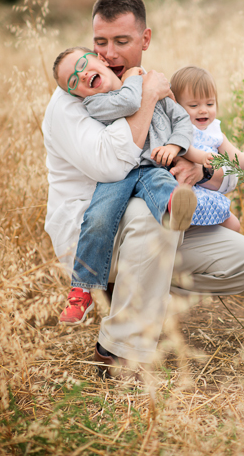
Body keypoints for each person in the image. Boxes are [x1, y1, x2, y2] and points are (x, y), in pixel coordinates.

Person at [42, 0, 244, 379]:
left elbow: (218, 165)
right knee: (151, 210)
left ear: (145, 40)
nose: (109, 53)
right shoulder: (73, 100)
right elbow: (112, 166)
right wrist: (145, 100)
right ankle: (120, 350)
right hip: (91, 234)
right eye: (101, 42)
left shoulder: (154, 87)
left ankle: (144, 288)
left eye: (121, 42)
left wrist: (199, 171)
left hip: (159, 222)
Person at [51, 46, 202, 325]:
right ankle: (81, 290)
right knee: (98, 218)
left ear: (102, 60)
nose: (82, 75)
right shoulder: (96, 103)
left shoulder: (150, 87)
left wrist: (175, 145)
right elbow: (131, 103)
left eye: (83, 63)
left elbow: (180, 119)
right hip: (119, 176)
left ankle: (174, 211)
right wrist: (136, 76)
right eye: (73, 81)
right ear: (77, 95)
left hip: (151, 165)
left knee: (164, 188)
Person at [170, 66, 244, 232]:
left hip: (208, 193)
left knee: (234, 225)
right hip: (187, 191)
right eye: (193, 105)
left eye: (210, 103)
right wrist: (202, 157)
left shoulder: (215, 130)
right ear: (176, 106)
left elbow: (234, 156)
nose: (203, 110)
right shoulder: (180, 128)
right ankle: (179, 219)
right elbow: (183, 149)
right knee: (182, 201)